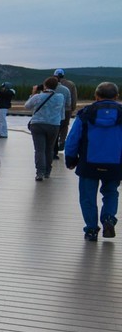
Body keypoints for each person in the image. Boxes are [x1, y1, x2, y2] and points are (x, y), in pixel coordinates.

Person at [64, 82, 122, 242]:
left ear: (96, 96)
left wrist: (70, 158)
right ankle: (109, 218)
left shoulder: (86, 113)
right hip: (115, 163)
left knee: (87, 196)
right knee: (111, 192)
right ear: (116, 97)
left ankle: (91, 230)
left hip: (88, 162)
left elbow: (73, 139)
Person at [25, 76, 68, 181]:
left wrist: (34, 93)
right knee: (49, 149)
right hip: (53, 125)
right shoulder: (60, 97)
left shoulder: (37, 97)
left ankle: (40, 173)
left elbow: (27, 106)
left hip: (37, 124)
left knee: (39, 150)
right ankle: (47, 172)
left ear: (45, 85)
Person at [54, 68, 78, 159]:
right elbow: (74, 97)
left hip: (55, 108)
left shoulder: (52, 83)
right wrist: (73, 107)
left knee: (55, 125)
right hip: (67, 109)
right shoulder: (71, 84)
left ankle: (54, 143)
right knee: (64, 126)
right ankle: (62, 142)